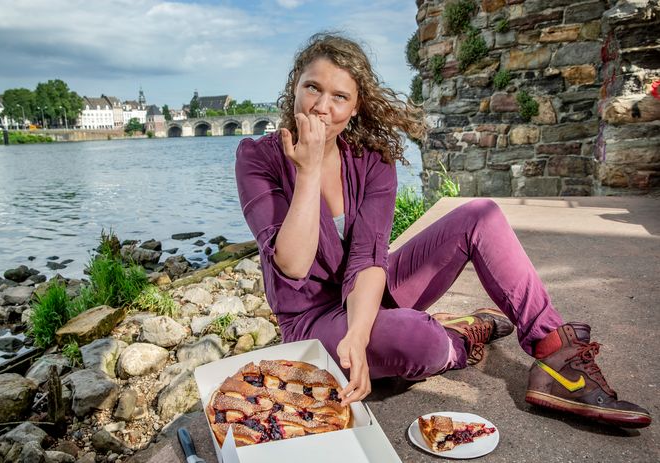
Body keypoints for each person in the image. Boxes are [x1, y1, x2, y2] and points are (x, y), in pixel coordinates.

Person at [234, 32, 651, 429]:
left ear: (356, 107)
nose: (322, 106)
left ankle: (554, 353)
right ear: (294, 88)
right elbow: (291, 264)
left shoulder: (371, 158)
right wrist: (306, 174)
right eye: (312, 88)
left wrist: (359, 334)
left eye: (339, 96)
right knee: (424, 343)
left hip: (367, 291)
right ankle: (459, 335)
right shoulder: (257, 157)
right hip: (312, 319)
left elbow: (368, 257)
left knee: (480, 214)